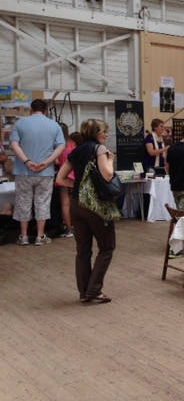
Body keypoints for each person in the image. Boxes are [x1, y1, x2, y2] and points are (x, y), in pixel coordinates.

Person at [55, 119, 116, 303]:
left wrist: (79, 186)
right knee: (106, 247)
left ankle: (83, 292)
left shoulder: (76, 151)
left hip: (76, 204)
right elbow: (107, 174)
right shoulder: (100, 150)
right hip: (96, 205)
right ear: (96, 133)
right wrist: (111, 160)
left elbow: (60, 178)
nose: (106, 135)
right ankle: (94, 290)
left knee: (83, 250)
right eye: (104, 131)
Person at [10, 99, 65, 246]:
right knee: (43, 202)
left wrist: (27, 161)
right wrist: (47, 162)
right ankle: (40, 236)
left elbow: (14, 145)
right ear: (46, 110)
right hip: (45, 172)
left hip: (24, 171)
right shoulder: (54, 125)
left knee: (23, 201)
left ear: (31, 109)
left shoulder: (20, 124)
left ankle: (24, 236)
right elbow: (61, 146)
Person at [55, 124, 79, 238]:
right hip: (75, 177)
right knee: (74, 203)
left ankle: (69, 229)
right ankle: (77, 226)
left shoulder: (60, 147)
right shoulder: (74, 145)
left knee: (65, 204)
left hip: (63, 176)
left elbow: (56, 162)